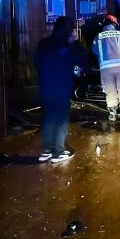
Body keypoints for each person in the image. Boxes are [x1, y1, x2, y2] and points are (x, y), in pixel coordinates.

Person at [34, 16, 87, 163]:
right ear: (69, 31)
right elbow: (83, 60)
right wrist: (76, 43)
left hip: (45, 87)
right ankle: (59, 151)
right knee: (61, 119)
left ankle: (47, 150)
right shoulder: (68, 47)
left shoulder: (43, 44)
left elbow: (37, 64)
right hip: (62, 87)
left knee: (49, 118)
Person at [92, 14, 120, 121]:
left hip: (105, 68)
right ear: (114, 24)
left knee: (109, 89)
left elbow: (94, 51)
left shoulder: (98, 37)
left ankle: (112, 114)